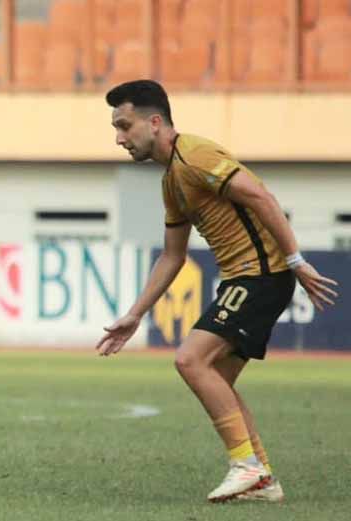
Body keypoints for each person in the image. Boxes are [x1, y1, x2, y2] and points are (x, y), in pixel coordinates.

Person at [96, 80, 339, 503]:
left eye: (124, 125)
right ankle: (262, 479)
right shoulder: (171, 179)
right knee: (219, 378)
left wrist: (297, 261)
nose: (119, 138)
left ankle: (246, 467)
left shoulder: (195, 156)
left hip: (261, 275)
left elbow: (261, 195)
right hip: (246, 278)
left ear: (155, 122)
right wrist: (136, 314)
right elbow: (173, 256)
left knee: (190, 359)